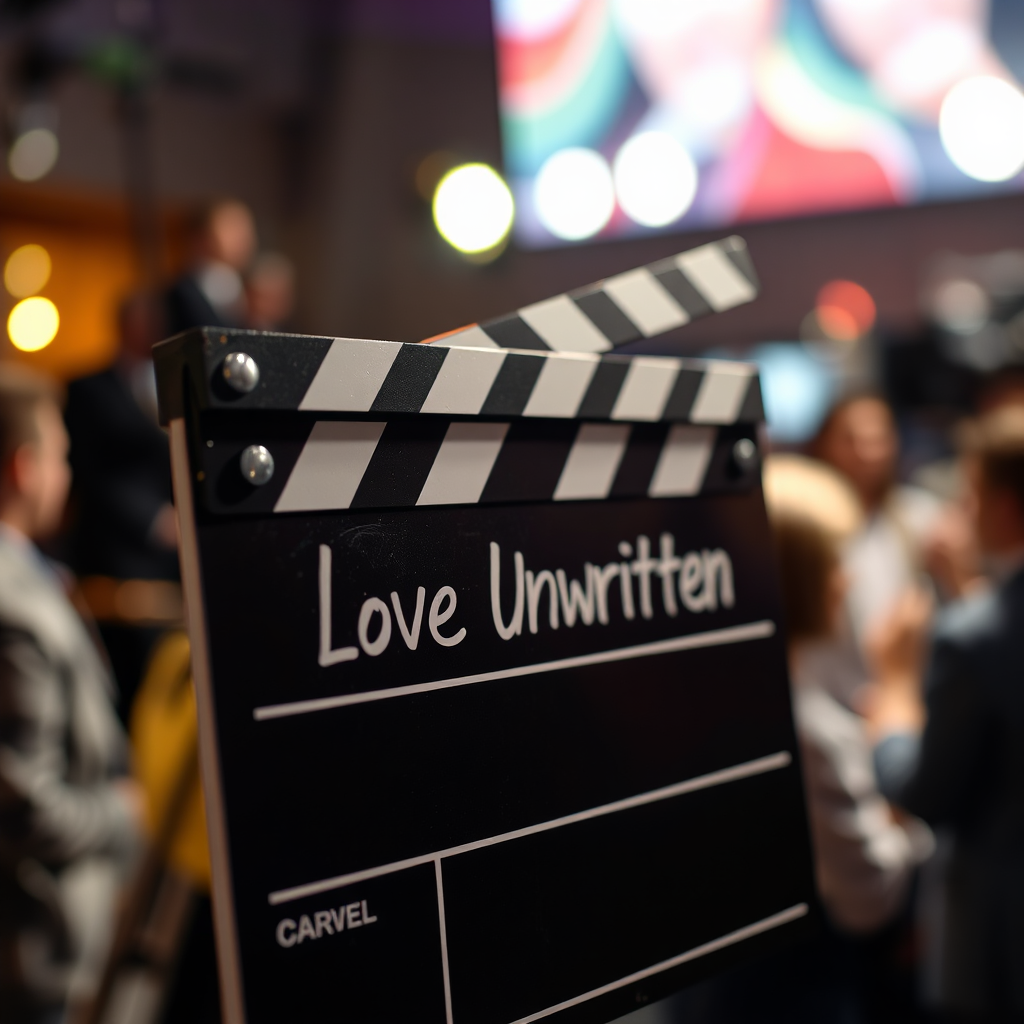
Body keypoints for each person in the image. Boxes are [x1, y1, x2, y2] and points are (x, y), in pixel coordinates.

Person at [871, 406, 1024, 1023]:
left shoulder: (969, 638)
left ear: (1004, 507)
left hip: (998, 949)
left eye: (970, 495)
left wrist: (894, 700)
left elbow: (926, 793)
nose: (961, 513)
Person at [0, 367, 141, 1024]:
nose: (67, 474)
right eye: (60, 455)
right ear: (24, 468)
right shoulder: (12, 609)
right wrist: (123, 814)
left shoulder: (32, 571)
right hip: (31, 943)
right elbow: (23, 806)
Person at [64, 293, 180, 719]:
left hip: (174, 560)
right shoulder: (86, 388)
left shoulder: (177, 385)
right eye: (141, 320)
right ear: (123, 325)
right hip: (116, 555)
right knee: (126, 678)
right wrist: (154, 520)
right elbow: (90, 473)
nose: (150, 328)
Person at [165, 199, 257, 336]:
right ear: (202, 236)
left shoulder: (253, 292)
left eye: (247, 229)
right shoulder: (180, 294)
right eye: (232, 227)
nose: (244, 237)